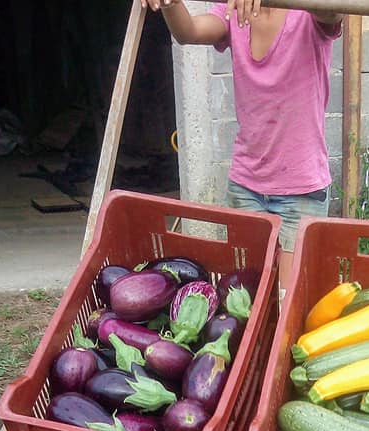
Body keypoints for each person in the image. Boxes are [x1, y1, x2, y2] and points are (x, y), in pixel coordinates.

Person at [140, 0, 343, 290]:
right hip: (246, 185)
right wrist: (169, 3)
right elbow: (188, 32)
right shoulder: (236, 11)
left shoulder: (308, 14)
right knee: (248, 298)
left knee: (288, 300)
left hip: (300, 189)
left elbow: (333, 11)